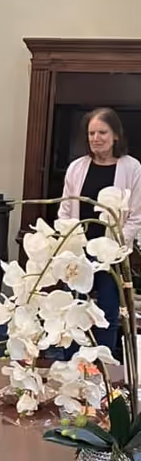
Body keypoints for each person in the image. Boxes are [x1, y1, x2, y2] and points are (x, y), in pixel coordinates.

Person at [58, 107, 141, 354]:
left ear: (115, 135)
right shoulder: (77, 167)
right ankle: (71, 363)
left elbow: (135, 216)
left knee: (107, 309)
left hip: (111, 254)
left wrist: (113, 248)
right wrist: (68, 244)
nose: (96, 138)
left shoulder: (132, 168)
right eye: (91, 133)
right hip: (78, 253)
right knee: (73, 308)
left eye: (102, 132)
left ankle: (102, 368)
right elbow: (65, 211)